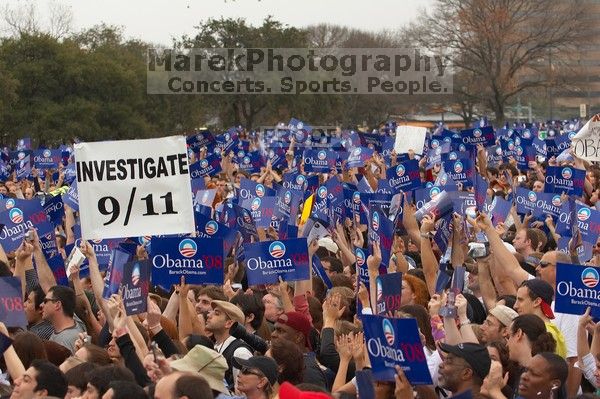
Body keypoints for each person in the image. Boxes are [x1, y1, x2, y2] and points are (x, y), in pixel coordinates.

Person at [205, 300, 252, 390]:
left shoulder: (240, 352)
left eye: (217, 314)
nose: (209, 315)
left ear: (229, 323)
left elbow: (242, 393)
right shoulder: (214, 346)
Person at [42, 285, 86, 353]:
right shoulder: (77, 322)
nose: (41, 305)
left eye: (45, 301)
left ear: (57, 305)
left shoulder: (64, 342)